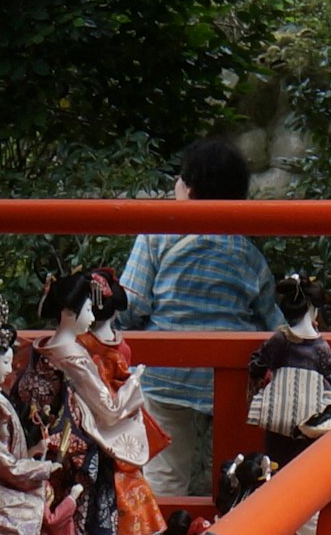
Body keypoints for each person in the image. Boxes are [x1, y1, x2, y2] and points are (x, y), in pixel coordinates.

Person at [118, 136, 282, 498]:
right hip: (228, 379)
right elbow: (273, 320)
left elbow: (131, 305)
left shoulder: (158, 236)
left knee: (163, 474)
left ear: (189, 190)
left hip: (166, 374)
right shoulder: (247, 252)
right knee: (236, 470)